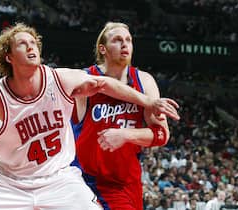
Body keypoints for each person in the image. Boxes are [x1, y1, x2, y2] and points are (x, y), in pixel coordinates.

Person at [0, 22, 179, 210]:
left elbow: (104, 84)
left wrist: (147, 101)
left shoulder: (59, 78)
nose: (31, 46)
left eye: (33, 41)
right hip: (9, 181)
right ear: (8, 56)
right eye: (22, 43)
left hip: (58, 178)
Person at [71, 22, 180, 210]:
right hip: (89, 180)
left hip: (127, 181)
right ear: (102, 49)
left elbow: (162, 135)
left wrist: (127, 134)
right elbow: (104, 86)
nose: (125, 44)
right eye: (118, 40)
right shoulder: (86, 79)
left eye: (128, 40)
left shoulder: (144, 81)